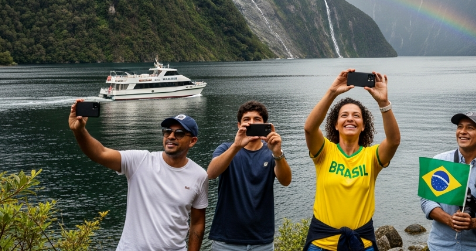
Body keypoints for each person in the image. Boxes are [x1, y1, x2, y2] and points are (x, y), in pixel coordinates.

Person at [68, 100, 208, 251]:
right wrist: (79, 130)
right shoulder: (140, 161)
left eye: (179, 133)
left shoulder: (199, 175)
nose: (171, 136)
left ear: (192, 141)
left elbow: (198, 222)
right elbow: (100, 154)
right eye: (168, 131)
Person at [302, 69, 401, 251]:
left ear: (363, 126)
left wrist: (383, 103)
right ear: (336, 124)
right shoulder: (324, 151)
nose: (350, 119)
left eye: (356, 116)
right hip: (321, 244)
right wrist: (332, 92)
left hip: (362, 244)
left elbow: (394, 141)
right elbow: (309, 128)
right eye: (344, 115)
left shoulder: (371, 156)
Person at [207, 101, 292, 251]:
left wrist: (277, 153)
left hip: (262, 242)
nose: (251, 123)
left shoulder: (271, 153)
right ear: (239, 125)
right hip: (226, 241)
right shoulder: (226, 149)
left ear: (265, 124)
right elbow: (212, 173)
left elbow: (285, 181)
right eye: (246, 120)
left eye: (257, 120)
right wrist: (236, 146)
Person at [421, 112, 476, 251]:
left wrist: (472, 223)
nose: (462, 132)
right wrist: (449, 219)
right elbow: (427, 201)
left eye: (470, 128)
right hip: (439, 246)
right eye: (460, 127)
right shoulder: (439, 161)